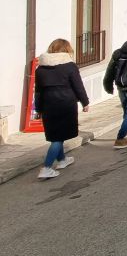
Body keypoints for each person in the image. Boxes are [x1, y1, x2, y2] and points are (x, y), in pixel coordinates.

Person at [33, 38, 90, 180]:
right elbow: (78, 86)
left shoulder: (41, 68)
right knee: (58, 138)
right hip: (65, 104)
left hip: (48, 104)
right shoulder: (69, 66)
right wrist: (85, 102)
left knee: (56, 134)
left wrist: (38, 109)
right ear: (67, 49)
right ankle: (46, 168)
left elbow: (38, 91)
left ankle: (62, 160)